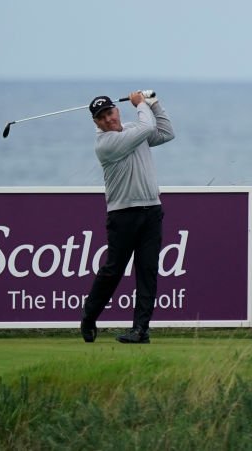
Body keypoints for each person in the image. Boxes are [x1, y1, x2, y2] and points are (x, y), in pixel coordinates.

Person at [80, 90, 174, 344]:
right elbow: (145, 129)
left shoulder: (134, 129)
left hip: (151, 210)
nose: (108, 119)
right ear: (96, 123)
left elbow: (166, 133)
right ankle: (89, 317)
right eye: (102, 117)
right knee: (113, 271)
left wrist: (155, 104)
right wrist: (141, 103)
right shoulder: (105, 144)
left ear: (116, 110)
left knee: (147, 271)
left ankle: (140, 330)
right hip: (123, 215)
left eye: (109, 112)